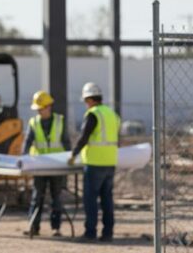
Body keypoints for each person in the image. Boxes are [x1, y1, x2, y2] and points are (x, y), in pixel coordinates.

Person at [67, 82, 120, 242]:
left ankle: (90, 232)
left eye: (85, 100)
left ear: (89, 99)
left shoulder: (93, 114)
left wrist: (74, 154)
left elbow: (84, 137)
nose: (85, 104)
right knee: (107, 200)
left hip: (95, 163)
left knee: (90, 200)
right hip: (110, 162)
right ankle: (107, 233)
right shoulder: (112, 114)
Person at [21, 90, 70, 238]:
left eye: (41, 108)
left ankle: (56, 228)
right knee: (37, 197)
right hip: (40, 166)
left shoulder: (59, 121)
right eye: (37, 109)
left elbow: (66, 143)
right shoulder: (33, 123)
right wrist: (23, 159)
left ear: (49, 106)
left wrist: (71, 161)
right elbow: (27, 142)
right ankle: (33, 226)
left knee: (56, 196)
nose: (39, 111)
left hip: (56, 166)